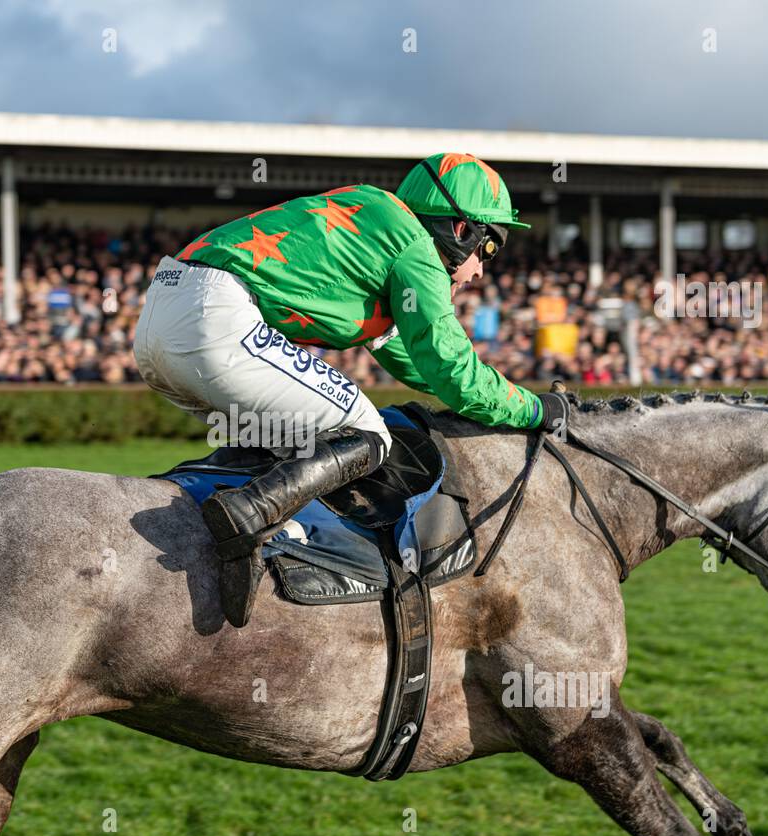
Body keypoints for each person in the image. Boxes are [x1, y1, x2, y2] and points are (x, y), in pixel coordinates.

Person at [134, 152, 568, 626]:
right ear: (462, 231)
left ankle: (247, 536)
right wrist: (531, 408)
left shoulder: (378, 225)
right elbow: (452, 370)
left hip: (160, 316)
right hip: (211, 317)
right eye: (488, 250)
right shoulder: (416, 248)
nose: (481, 271)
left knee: (294, 440)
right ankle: (246, 519)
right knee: (368, 432)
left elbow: (414, 360)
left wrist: (490, 398)